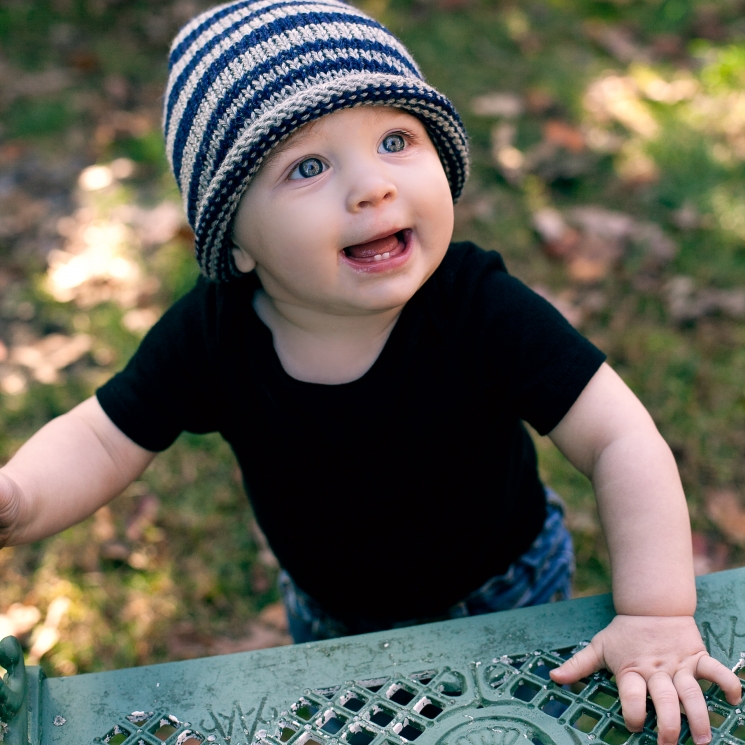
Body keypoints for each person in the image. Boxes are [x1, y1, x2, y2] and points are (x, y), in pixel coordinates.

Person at [0, 1, 740, 743]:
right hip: (333, 613)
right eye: (308, 166)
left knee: (508, 729)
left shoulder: (475, 303)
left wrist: (652, 610)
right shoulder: (213, 333)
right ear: (235, 241)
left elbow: (617, 434)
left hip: (502, 586)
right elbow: (102, 438)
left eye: (395, 139)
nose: (371, 187)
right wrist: (21, 496)